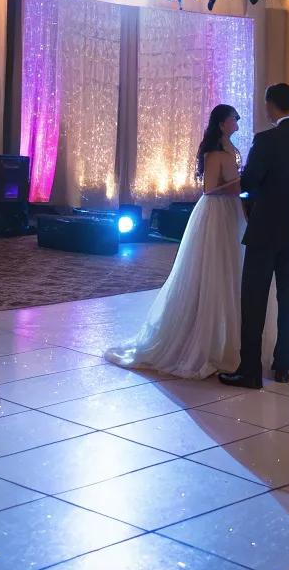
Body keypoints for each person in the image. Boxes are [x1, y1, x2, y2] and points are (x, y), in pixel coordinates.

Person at [107, 104, 276, 380]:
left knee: (232, 270)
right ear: (222, 123)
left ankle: (230, 339)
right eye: (234, 118)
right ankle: (202, 341)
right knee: (211, 270)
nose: (238, 122)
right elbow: (210, 188)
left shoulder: (232, 150)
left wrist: (241, 186)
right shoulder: (214, 153)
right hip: (216, 213)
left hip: (232, 211)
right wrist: (240, 184)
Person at [219, 82, 289, 390]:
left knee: (253, 298)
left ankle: (250, 370)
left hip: (266, 228)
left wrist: (251, 202)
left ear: (270, 105)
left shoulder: (265, 140)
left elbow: (250, 180)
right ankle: (283, 366)